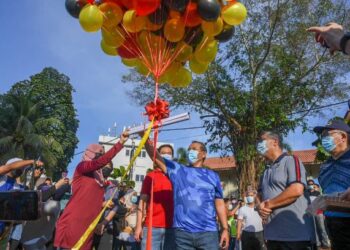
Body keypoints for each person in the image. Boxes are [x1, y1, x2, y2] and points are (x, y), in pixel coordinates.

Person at [142, 137, 229, 250]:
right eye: (189, 149)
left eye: (194, 149)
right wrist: (144, 137)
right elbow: (155, 157)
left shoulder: (213, 176)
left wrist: (225, 229)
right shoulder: (178, 171)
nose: (190, 152)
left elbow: (219, 203)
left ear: (203, 154)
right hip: (182, 234)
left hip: (208, 233)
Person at [54, 131, 129, 250]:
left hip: (89, 226)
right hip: (74, 223)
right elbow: (99, 162)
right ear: (90, 153)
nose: (102, 157)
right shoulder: (82, 167)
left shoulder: (100, 179)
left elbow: (91, 199)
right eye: (99, 153)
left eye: (103, 154)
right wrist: (120, 143)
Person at [256, 131, 315, 250]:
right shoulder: (266, 171)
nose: (258, 145)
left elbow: (296, 190)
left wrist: (268, 204)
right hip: (272, 235)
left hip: (295, 236)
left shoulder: (291, 160)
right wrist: (259, 207)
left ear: (275, 142)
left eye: (261, 141)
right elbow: (259, 195)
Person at [313, 119, 350, 249]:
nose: (323, 140)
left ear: (343, 137)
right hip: (332, 222)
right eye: (321, 136)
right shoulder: (324, 166)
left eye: (326, 135)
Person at [134, 144, 175, 250]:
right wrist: (138, 226)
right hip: (152, 227)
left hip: (172, 228)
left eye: (169, 153)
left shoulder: (176, 176)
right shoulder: (150, 176)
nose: (166, 155)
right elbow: (142, 202)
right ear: (157, 156)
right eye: (163, 153)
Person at [93, 162, 120, 250]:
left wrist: (103, 224)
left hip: (106, 226)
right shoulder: (92, 183)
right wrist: (102, 204)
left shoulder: (113, 187)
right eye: (104, 166)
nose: (106, 168)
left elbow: (115, 207)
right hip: (89, 224)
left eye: (108, 167)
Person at [306, 180, 330, 249]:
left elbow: (322, 203)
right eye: (309, 184)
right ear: (307, 185)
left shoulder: (318, 193)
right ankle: (318, 244)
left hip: (319, 212)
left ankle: (326, 243)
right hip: (310, 213)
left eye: (312, 184)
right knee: (314, 229)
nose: (310, 185)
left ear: (313, 185)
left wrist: (323, 212)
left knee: (322, 228)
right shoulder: (306, 194)